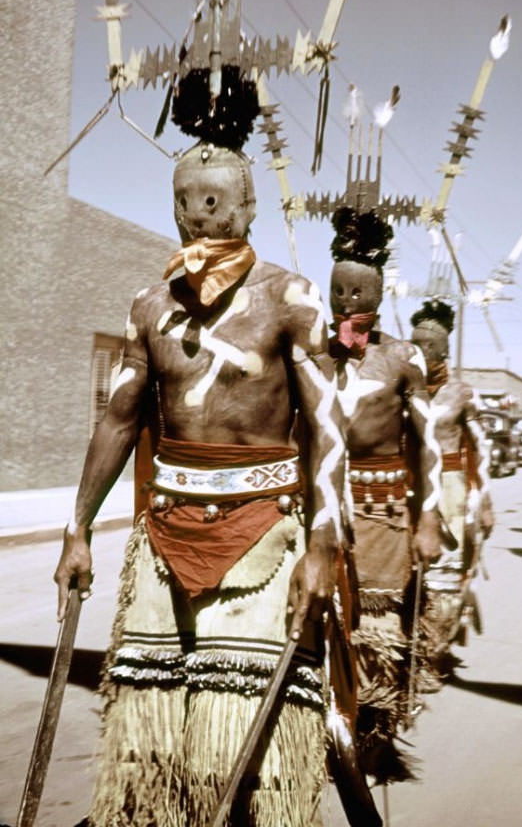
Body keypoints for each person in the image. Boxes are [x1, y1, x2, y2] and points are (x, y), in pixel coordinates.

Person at [54, 69, 346, 827]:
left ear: (250, 206)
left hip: (264, 533)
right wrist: (78, 527)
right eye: (187, 198)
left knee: (251, 740)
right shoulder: (150, 305)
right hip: (164, 536)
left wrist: (324, 546)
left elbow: (327, 428)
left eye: (217, 198)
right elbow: (120, 419)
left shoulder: (292, 297)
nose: (200, 213)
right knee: (148, 742)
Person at [327, 206, 443, 783]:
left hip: (381, 507)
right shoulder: (308, 348)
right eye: (339, 290)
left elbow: (428, 445)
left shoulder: (403, 358)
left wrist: (428, 518)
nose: (348, 302)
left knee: (375, 628)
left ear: (379, 293)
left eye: (359, 291)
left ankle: (371, 734)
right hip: (321, 504)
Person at [409, 298, 494, 667]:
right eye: (416, 345)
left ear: (444, 350)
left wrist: (484, 499)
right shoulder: (400, 384)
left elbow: (480, 447)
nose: (422, 353)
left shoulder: (461, 392)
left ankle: (432, 651)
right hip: (406, 482)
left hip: (450, 485)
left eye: (430, 346)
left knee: (443, 571)